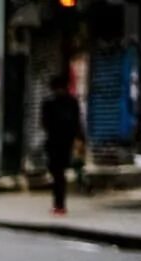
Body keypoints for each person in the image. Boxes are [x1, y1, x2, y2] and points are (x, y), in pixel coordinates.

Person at [40, 72, 83, 215]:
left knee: (57, 173)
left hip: (55, 142)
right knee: (59, 173)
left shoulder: (49, 103)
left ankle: (59, 205)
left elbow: (44, 123)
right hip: (66, 142)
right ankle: (60, 204)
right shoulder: (72, 102)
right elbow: (77, 123)